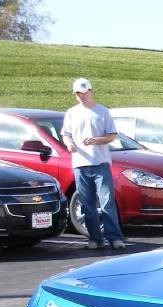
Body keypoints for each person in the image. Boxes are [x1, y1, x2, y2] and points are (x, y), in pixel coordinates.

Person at [61, 78, 126, 250]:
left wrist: (97, 140)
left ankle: (114, 238)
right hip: (80, 164)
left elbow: (112, 135)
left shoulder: (102, 112)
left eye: (84, 92)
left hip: (100, 163)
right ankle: (95, 238)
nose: (81, 96)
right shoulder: (71, 113)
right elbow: (66, 134)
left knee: (106, 202)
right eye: (78, 94)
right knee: (86, 203)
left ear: (91, 91)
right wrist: (69, 143)